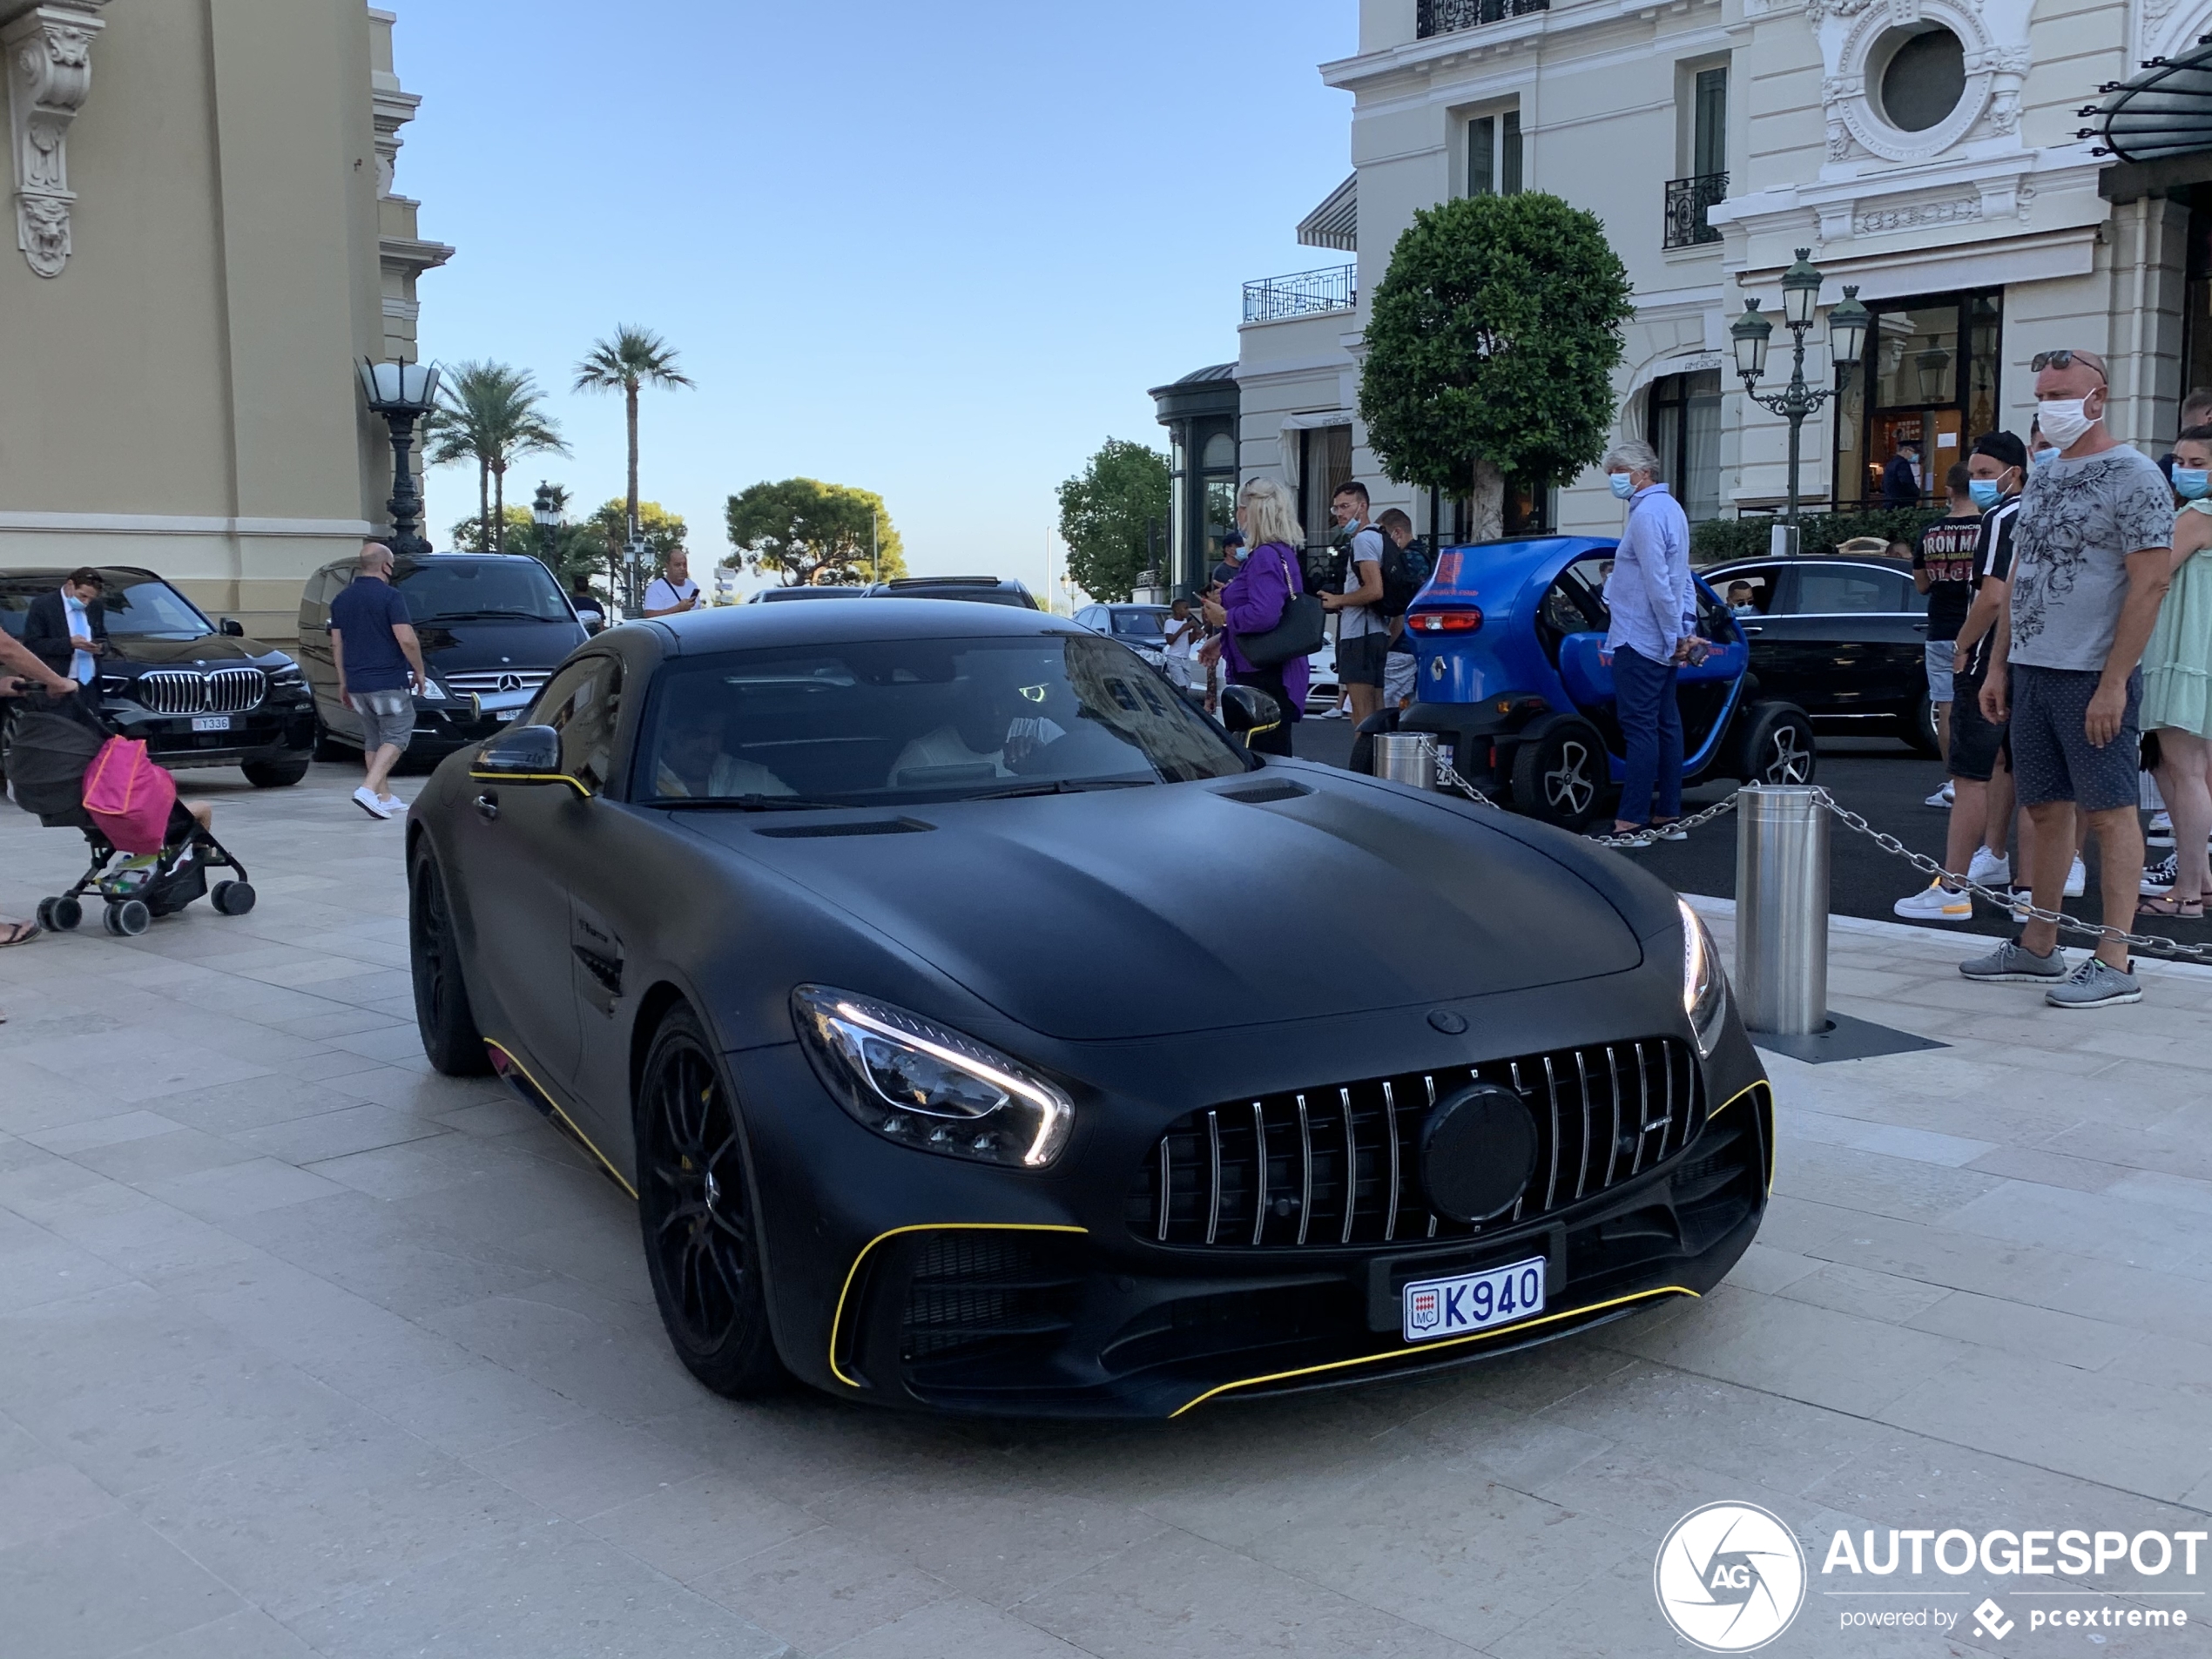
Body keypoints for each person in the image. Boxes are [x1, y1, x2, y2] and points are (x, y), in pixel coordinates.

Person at [1969, 347, 2175, 1007]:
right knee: (2044, 807)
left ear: (2097, 397)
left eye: (2061, 392)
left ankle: (2115, 958)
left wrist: (2115, 682)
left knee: (2111, 812)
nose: (2048, 404)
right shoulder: (2048, 475)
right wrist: (1999, 664)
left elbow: (2151, 583)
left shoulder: (2136, 476)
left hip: (2091, 672)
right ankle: (2039, 944)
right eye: (2042, 393)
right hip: (2033, 668)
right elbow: (2022, 578)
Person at [1896, 434, 2027, 921]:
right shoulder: (2037, 512)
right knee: (2020, 773)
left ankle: (1952, 886)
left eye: (1988, 472)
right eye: (1975, 473)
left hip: (1987, 652)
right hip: (2030, 658)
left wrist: (1964, 645)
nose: (1980, 482)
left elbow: (1992, 596)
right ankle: (2024, 888)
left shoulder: (1998, 519)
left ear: (2014, 470)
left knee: (1970, 774)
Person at [1598, 440, 1695, 839]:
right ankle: (1667, 814)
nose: (1614, 482)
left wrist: (1674, 633)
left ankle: (1632, 818)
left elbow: (1658, 582)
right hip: (1661, 635)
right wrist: (1683, 632)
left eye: (1616, 473)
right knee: (1666, 725)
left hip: (1639, 636)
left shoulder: (1645, 517)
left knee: (1640, 728)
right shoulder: (1671, 509)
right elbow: (1680, 577)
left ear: (1638, 472)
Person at [2137, 422, 2212, 918]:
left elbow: (2152, 570)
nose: (2183, 471)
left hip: (2182, 653)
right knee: (2182, 768)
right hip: (2188, 652)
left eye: (2197, 463)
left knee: (2184, 771)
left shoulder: (2200, 514)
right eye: (2179, 462)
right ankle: (2200, 880)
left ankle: (2186, 891)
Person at [1201, 477, 1310, 757]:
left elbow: (1264, 615)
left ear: (1253, 511)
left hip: (1264, 676)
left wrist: (1224, 617)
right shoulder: (1280, 553)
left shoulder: (1264, 556)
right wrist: (1221, 637)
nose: (1236, 515)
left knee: (1262, 758)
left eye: (1240, 507)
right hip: (1270, 671)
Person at [328, 541, 428, 820]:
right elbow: (406, 639)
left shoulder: (341, 600)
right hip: (387, 681)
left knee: (374, 739)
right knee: (397, 734)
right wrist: (419, 670)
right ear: (386, 566)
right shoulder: (390, 597)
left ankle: (384, 797)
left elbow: (337, 645)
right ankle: (368, 789)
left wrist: (343, 682)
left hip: (357, 683)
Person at [1912, 463, 1985, 800]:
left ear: (1950, 490)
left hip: (1941, 629)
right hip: (1980, 629)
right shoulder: (1988, 528)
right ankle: (1985, 782)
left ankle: (1955, 782)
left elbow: (1922, 585)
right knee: (1988, 706)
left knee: (1946, 709)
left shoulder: (1929, 534)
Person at [1321, 482, 1388, 726]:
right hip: (1376, 631)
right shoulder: (1380, 535)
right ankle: (1378, 763)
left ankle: (1363, 763)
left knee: (1360, 714)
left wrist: (1339, 600)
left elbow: (1374, 589)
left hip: (1360, 634)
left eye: (1345, 506)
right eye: (1336, 508)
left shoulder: (1363, 540)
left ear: (1362, 506)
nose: (1339, 513)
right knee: (1377, 709)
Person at [22, 568, 108, 685]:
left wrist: (100, 647)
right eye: (82, 596)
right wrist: (69, 644)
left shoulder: (95, 606)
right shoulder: (44, 605)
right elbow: (33, 643)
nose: (86, 602)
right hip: (59, 681)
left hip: (91, 682)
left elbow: (103, 636)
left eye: (91, 599)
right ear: (70, 585)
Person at [1377, 509, 1421, 711]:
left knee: (1384, 709)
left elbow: (1400, 609)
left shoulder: (1402, 562)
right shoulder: (1425, 557)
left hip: (1398, 647)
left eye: (1384, 536)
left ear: (1397, 532)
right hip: (1414, 644)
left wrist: (1385, 645)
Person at [641, 549, 699, 617]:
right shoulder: (656, 588)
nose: (682, 568)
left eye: (684, 565)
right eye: (677, 565)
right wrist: (678, 608)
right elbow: (650, 615)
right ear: (667, 566)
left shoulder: (692, 586)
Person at [1163, 596, 1204, 694]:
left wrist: (1194, 630)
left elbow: (1189, 641)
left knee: (1187, 684)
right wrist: (1182, 629)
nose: (1188, 611)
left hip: (1185, 657)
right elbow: (1170, 641)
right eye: (1185, 608)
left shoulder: (1186, 622)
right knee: (1181, 685)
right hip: (1174, 657)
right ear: (1177, 610)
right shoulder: (1170, 623)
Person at [1882, 439, 1924, 507]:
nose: (1913, 455)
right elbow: (1907, 482)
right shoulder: (1902, 464)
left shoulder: (1891, 463)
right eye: (1913, 452)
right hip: (1902, 504)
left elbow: (1883, 483)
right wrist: (1917, 493)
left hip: (1889, 502)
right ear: (1906, 450)